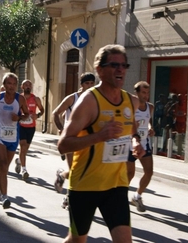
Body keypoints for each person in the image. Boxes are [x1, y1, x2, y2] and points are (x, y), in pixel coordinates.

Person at [57, 44, 145, 243]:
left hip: (116, 185)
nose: (120, 69)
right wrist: (99, 136)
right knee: (77, 239)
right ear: (100, 70)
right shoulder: (89, 101)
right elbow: (63, 144)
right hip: (85, 185)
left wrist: (135, 142)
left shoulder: (131, 101)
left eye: (124, 65)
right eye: (114, 65)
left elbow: (131, 130)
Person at [52, 72, 95, 209]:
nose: (89, 86)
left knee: (81, 171)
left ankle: (62, 176)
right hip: (71, 139)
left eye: (91, 83)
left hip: (86, 140)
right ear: (81, 85)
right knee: (75, 170)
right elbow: (56, 113)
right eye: (87, 83)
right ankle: (69, 199)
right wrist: (61, 129)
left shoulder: (95, 99)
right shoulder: (72, 98)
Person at [0, 73, 29, 209]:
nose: (11, 86)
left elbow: (27, 114)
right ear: (4, 85)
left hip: (13, 136)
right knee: (3, 165)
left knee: (5, 168)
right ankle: (5, 196)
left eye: (13, 84)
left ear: (16, 85)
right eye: (8, 84)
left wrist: (19, 118)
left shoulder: (20, 99)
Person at [127, 81, 155, 212]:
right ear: (136, 93)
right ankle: (118, 198)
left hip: (144, 143)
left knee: (149, 172)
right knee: (129, 174)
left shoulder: (150, 107)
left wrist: (150, 128)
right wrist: (132, 127)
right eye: (143, 92)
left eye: (148, 92)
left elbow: (148, 121)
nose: (146, 95)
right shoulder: (131, 106)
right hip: (130, 144)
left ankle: (137, 196)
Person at [14, 79, 44, 180]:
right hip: (21, 126)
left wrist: (38, 115)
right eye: (25, 84)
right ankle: (24, 170)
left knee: (25, 149)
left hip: (31, 127)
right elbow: (13, 110)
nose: (28, 86)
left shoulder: (36, 99)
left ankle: (19, 161)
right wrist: (20, 116)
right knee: (22, 146)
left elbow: (42, 109)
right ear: (22, 87)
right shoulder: (18, 98)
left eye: (29, 85)